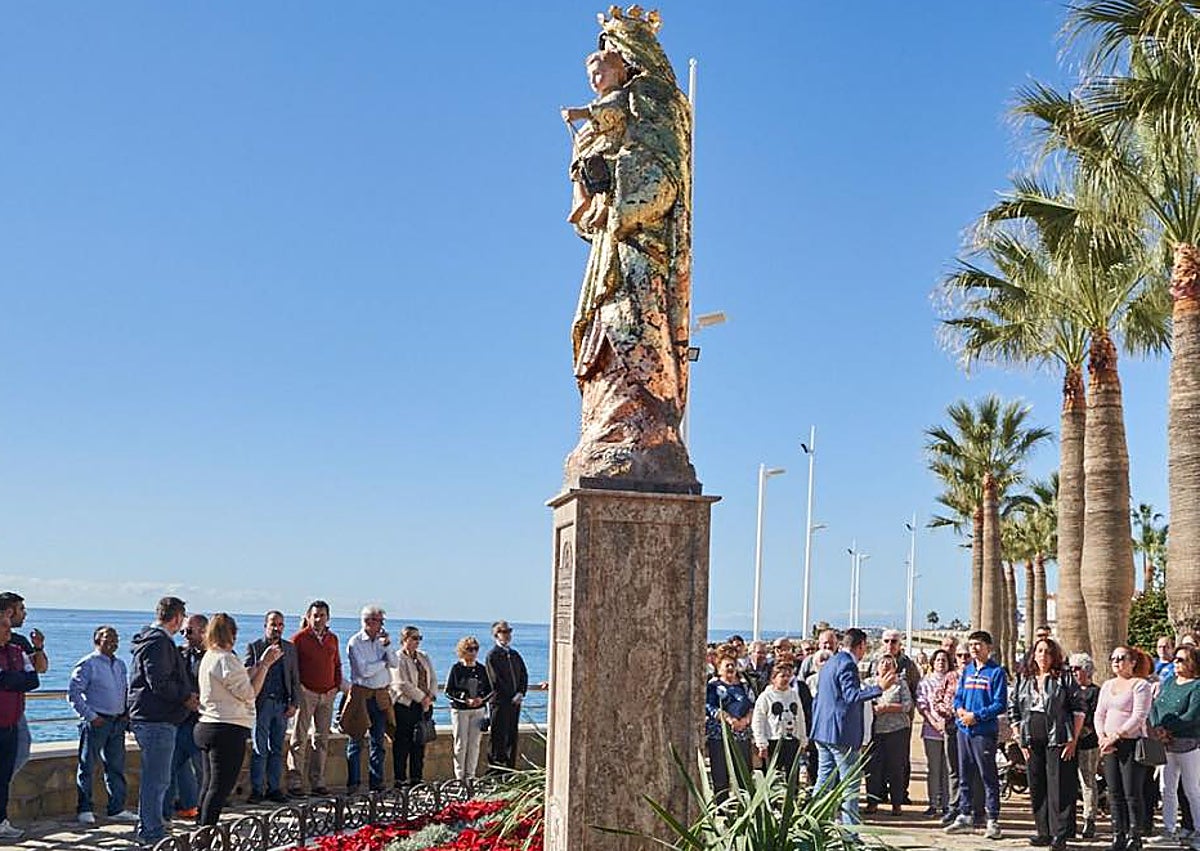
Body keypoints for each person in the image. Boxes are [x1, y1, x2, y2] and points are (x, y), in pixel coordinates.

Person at [560, 18, 696, 488]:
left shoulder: (658, 104)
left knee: (634, 327)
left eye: (610, 57)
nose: (599, 73)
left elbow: (660, 176)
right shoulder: (609, 112)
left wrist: (616, 179)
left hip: (642, 250)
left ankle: (645, 435)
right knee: (602, 332)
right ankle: (605, 432)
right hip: (610, 244)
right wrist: (592, 183)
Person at [195, 613, 281, 826]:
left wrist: (257, 665)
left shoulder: (210, 657)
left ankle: (200, 830)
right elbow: (250, 693)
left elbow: (234, 680)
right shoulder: (226, 659)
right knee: (220, 787)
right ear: (231, 634)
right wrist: (266, 666)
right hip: (226, 728)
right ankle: (206, 834)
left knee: (208, 785)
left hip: (208, 724)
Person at [127, 596, 196, 846]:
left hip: (154, 718)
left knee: (157, 778)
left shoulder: (153, 641)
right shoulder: (158, 643)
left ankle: (150, 826)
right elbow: (159, 682)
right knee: (157, 780)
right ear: (177, 618)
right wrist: (186, 697)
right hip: (156, 719)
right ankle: (151, 832)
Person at [811, 628, 897, 825]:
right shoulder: (848, 665)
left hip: (823, 730)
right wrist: (880, 688)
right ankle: (851, 834)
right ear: (861, 646)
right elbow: (851, 696)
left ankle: (813, 824)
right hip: (841, 733)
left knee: (823, 781)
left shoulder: (831, 661)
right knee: (850, 784)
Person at [1008, 637, 1084, 851]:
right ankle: (1043, 831)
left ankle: (1060, 833)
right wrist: (1019, 737)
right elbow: (1014, 708)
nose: (1043, 656)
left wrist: (1073, 739)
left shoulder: (1064, 678)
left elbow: (1078, 709)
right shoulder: (1024, 678)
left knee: (1058, 785)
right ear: (1033, 654)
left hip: (1058, 737)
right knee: (1037, 783)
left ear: (1054, 656)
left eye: (1048, 652)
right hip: (1031, 736)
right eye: (1039, 651)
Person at [67, 626, 137, 825]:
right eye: (108, 638)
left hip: (117, 722)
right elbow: (73, 693)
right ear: (97, 640)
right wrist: (90, 716)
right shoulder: (88, 664)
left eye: (115, 638)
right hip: (97, 722)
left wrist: (126, 713)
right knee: (87, 766)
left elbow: (125, 690)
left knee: (115, 767)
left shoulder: (120, 664)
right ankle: (84, 809)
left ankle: (116, 808)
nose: (113, 642)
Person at [945, 630, 1007, 840]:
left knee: (988, 776)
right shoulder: (968, 671)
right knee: (965, 774)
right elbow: (958, 696)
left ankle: (993, 819)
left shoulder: (996, 672)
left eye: (978, 644)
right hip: (964, 730)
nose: (974, 648)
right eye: (971, 644)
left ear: (989, 647)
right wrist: (960, 710)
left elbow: (999, 704)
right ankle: (964, 815)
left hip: (983, 732)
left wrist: (977, 716)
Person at [1095, 645, 1154, 850]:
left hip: (1130, 743)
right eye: (1114, 658)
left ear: (1132, 662)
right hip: (1109, 745)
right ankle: (1117, 834)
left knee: (1132, 791)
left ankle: (1134, 835)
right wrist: (1102, 736)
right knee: (1114, 792)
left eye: (1122, 658)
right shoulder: (1107, 685)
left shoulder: (1140, 685)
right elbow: (1099, 713)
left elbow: (1139, 716)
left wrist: (1116, 735)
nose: (1117, 661)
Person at [243, 610, 300, 803]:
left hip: (282, 704)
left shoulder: (289, 649)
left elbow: (294, 678)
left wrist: (294, 703)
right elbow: (245, 676)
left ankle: (274, 788)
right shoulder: (255, 647)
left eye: (280, 625)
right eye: (273, 624)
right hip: (262, 704)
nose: (277, 628)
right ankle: (257, 789)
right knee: (260, 748)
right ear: (265, 625)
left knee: (277, 748)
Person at [1147, 644, 1200, 848]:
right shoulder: (1168, 682)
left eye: (1182, 659)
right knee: (1166, 788)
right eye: (1176, 659)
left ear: (1193, 663)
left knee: (1192, 789)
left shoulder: (1196, 686)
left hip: (1188, 744)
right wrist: (1158, 727)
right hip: (1166, 745)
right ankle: (1169, 829)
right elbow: (1156, 706)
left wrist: (1169, 729)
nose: (1176, 663)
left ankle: (1197, 830)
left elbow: (1193, 715)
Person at [289, 600, 343, 797]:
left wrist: (336, 686)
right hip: (306, 694)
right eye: (315, 615)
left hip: (327, 695)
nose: (319, 619)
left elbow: (337, 664)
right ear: (308, 617)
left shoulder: (333, 639)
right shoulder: (299, 639)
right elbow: (292, 667)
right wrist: (300, 688)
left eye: (322, 615)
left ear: (328, 617)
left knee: (321, 739)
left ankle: (317, 781)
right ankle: (295, 782)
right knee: (299, 738)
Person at [344, 606, 397, 793]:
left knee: (378, 742)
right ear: (368, 621)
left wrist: (388, 646)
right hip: (361, 695)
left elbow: (395, 663)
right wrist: (382, 662)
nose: (381, 625)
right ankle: (354, 783)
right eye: (379, 621)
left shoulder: (382, 642)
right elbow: (363, 671)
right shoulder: (355, 642)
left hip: (380, 695)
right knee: (356, 741)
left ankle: (377, 783)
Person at [0, 592, 47, 780]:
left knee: (21, 751)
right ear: (10, 611)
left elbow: (38, 672)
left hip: (14, 711)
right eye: (21, 609)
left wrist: (38, 648)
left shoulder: (19, 641)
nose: (25, 614)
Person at [0, 613, 37, 841]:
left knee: (3, 777)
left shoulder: (15, 651)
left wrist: (10, 678)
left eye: (7, 626)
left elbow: (33, 680)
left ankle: (2, 821)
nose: (8, 630)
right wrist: (15, 679)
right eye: (3, 626)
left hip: (11, 724)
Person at [166, 613, 206, 821]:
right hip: (181, 719)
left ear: (203, 631)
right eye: (183, 631)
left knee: (203, 770)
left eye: (189, 631)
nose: (185, 635)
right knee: (172, 766)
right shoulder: (179, 654)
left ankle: (204, 812)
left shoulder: (213, 656)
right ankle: (177, 808)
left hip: (202, 721)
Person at [865, 655, 913, 815]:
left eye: (889, 664)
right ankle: (872, 802)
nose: (885, 666)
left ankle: (897, 803)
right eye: (882, 663)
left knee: (896, 768)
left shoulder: (901, 684)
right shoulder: (869, 684)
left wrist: (888, 707)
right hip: (874, 731)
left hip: (897, 731)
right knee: (873, 768)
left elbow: (907, 705)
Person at [706, 650, 755, 800]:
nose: (730, 668)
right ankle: (722, 806)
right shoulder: (713, 686)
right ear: (719, 667)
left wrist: (746, 720)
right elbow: (710, 707)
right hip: (720, 736)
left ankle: (743, 805)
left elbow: (753, 704)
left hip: (742, 735)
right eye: (726, 665)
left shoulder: (745, 685)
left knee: (743, 772)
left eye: (732, 665)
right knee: (720, 774)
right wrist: (728, 719)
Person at [391, 625, 436, 785]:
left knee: (419, 742)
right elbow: (400, 683)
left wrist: (430, 696)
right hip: (406, 705)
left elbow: (433, 678)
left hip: (424, 706)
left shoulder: (424, 657)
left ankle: (416, 777)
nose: (417, 642)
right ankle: (400, 778)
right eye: (414, 638)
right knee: (402, 743)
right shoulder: (398, 658)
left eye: (419, 638)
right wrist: (421, 697)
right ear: (405, 639)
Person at [445, 636, 493, 781]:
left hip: (478, 710)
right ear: (462, 651)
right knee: (460, 744)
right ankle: (460, 777)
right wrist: (465, 699)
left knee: (474, 744)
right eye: (469, 649)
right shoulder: (456, 669)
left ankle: (470, 775)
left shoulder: (481, 669)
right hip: (460, 711)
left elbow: (490, 690)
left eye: (475, 649)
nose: (473, 653)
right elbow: (449, 691)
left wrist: (480, 699)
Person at [750, 662, 807, 778]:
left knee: (792, 775)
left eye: (788, 676)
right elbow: (758, 721)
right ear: (773, 678)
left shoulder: (794, 695)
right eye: (782, 676)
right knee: (773, 775)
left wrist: (803, 739)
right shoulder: (765, 697)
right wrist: (761, 743)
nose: (786, 679)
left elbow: (800, 717)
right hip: (773, 740)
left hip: (792, 740)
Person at [485, 620, 528, 771]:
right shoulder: (493, 655)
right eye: (504, 632)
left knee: (511, 736)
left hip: (514, 703)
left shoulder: (514, 655)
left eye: (509, 631)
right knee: (498, 736)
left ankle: (510, 769)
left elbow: (523, 674)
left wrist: (521, 693)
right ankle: (496, 770)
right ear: (496, 635)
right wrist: (511, 695)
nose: (508, 635)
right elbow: (495, 680)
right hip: (499, 702)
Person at [916, 648, 953, 819]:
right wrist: (934, 722)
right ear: (932, 663)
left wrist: (945, 723)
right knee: (933, 769)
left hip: (950, 730)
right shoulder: (925, 683)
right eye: (938, 660)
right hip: (931, 731)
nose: (941, 663)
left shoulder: (954, 681)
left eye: (944, 660)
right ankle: (932, 803)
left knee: (947, 769)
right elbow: (922, 705)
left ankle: (947, 804)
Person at [1069, 652, 1102, 840]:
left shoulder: (1095, 692)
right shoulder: (1069, 691)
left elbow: (1094, 717)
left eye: (1077, 669)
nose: (1073, 672)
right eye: (1071, 669)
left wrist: (1081, 731)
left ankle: (1089, 818)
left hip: (1087, 743)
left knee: (1088, 781)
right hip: (1068, 743)